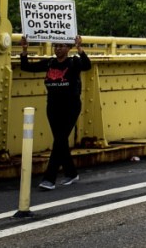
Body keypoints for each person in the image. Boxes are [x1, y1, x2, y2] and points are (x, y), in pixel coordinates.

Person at [19, 34, 92, 189]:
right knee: (61, 140)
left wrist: (80, 48)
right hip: (53, 106)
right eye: (56, 46)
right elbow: (26, 67)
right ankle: (71, 173)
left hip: (71, 106)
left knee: (59, 140)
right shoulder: (50, 63)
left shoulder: (74, 62)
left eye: (62, 46)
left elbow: (87, 65)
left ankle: (49, 178)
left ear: (68, 48)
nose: (58, 49)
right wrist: (24, 49)